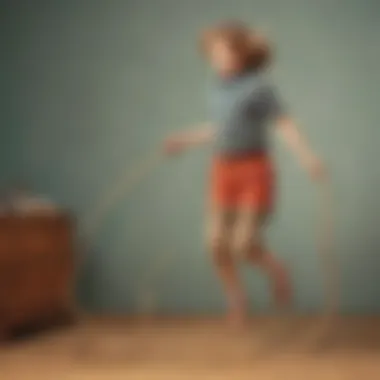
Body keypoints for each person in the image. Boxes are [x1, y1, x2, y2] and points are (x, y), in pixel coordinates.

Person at [163, 21, 326, 327]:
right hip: (222, 171)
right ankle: (236, 299)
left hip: (254, 170)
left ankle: (277, 269)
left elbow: (283, 124)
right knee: (214, 242)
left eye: (223, 50)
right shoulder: (215, 87)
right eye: (213, 51)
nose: (217, 56)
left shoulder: (259, 87)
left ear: (242, 54)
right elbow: (222, 130)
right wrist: (184, 139)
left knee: (242, 244)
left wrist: (308, 158)